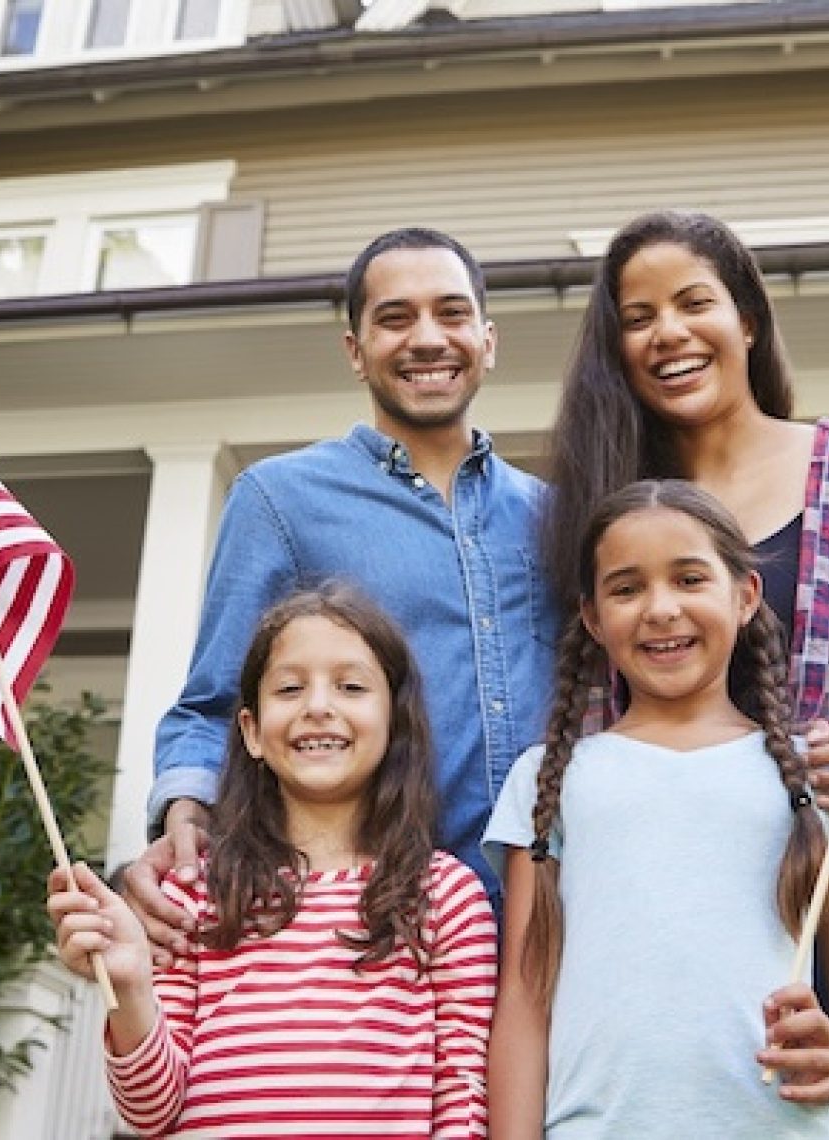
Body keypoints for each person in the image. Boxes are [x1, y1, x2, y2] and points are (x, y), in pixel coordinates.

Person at [541, 209, 829, 1139]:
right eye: (637, 316)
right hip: (682, 917)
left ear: (746, 317)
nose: (668, 331)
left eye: (694, 301)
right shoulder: (612, 518)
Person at [124, 227, 557, 955]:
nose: (427, 338)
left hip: (552, 922)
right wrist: (184, 813)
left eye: (451, 314)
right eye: (395, 318)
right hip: (381, 928)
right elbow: (213, 703)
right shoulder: (280, 500)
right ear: (356, 351)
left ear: (488, 340)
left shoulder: (554, 516)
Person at [485, 479, 829, 1137]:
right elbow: (525, 1001)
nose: (659, 609)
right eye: (626, 589)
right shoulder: (548, 780)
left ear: (744, 596)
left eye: (688, 579)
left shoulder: (813, 775)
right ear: (593, 618)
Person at [49, 584, 498, 1138]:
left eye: (351, 686)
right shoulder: (193, 893)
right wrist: (132, 984)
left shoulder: (448, 896)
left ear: (394, 724)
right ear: (252, 731)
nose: (317, 707)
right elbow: (148, 1112)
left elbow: (463, 1100)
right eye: (289, 688)